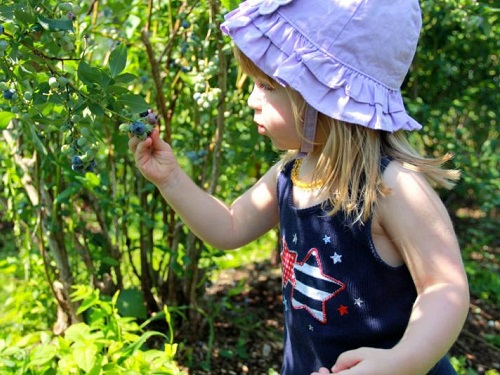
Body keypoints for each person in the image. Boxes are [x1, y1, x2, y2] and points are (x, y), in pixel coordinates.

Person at [128, 0, 470, 373]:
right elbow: (228, 226)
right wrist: (171, 179)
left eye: (267, 86)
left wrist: (401, 362)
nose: (251, 100)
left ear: (323, 97)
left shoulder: (390, 188)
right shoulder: (289, 174)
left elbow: (444, 288)